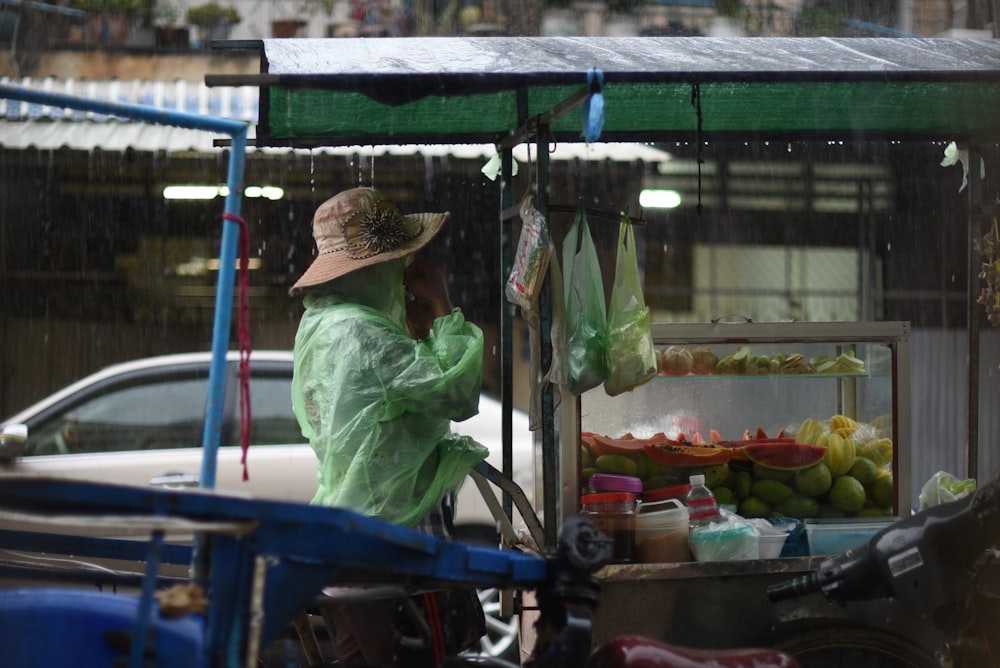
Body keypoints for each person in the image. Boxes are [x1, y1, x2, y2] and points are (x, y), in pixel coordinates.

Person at [289, 186, 489, 667]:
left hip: (351, 526)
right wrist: (442, 305)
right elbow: (456, 393)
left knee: (360, 658)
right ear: (375, 267)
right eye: (398, 264)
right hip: (389, 533)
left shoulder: (324, 324)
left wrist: (419, 328)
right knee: (410, 657)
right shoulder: (362, 332)